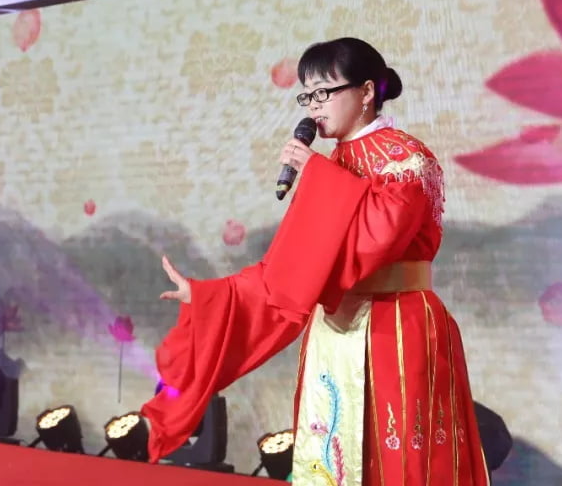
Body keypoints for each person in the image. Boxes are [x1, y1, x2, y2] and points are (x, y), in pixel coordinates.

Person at [138, 37, 490, 485]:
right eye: (307, 95)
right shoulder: (332, 161)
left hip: (396, 322)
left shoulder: (405, 157)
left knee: (400, 451)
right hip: (334, 327)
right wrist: (210, 295)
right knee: (332, 447)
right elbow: (293, 263)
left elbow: (377, 237)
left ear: (366, 91)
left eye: (324, 91)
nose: (314, 106)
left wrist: (319, 174)